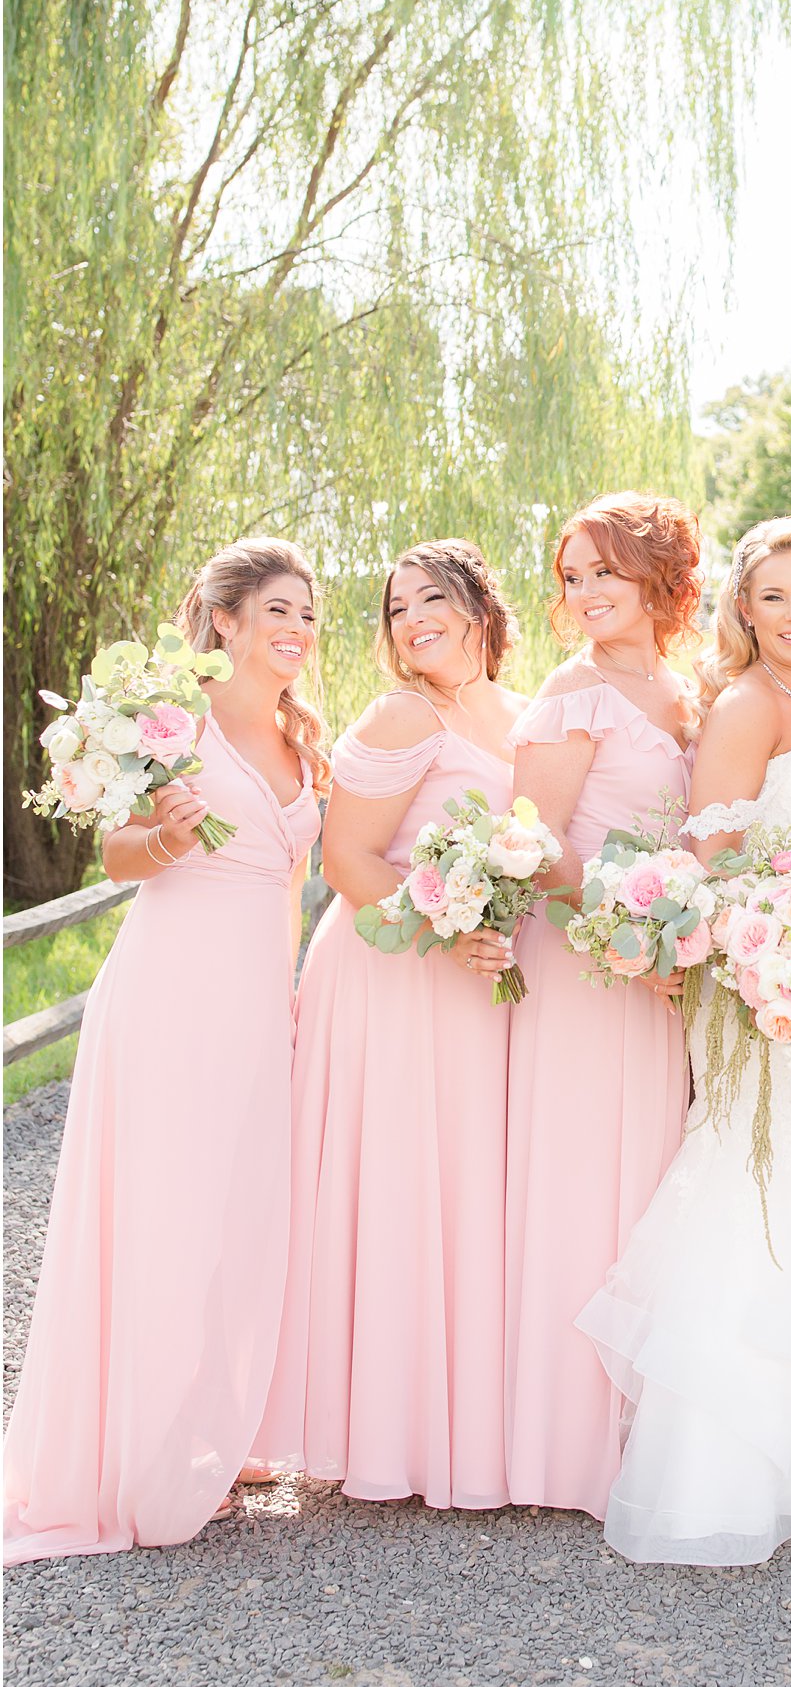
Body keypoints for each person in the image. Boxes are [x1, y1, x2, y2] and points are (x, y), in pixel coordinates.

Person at [577, 517, 791, 1564]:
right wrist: (773, 949)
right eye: (771, 597)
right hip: (763, 992)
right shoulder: (744, 706)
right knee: (757, 1182)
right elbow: (709, 863)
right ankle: (721, 1468)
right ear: (742, 611)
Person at [5, 540, 325, 1561]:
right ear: (222, 620)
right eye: (278, 608)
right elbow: (120, 858)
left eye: (309, 614)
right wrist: (172, 840)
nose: (297, 629)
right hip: (170, 993)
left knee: (241, 1216)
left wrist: (286, 989)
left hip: (250, 1000)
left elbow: (286, 886)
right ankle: (143, 1454)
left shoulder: (300, 739)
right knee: (168, 1217)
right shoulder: (172, 730)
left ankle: (216, 1434)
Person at [250, 540, 526, 1510]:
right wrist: (442, 927)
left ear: (480, 607)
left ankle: (446, 1420)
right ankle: (369, 1429)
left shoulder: (518, 719)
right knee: (392, 1183)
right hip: (386, 965)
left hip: (472, 976)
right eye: (397, 607)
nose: (412, 620)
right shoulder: (405, 714)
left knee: (457, 1188)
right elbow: (348, 858)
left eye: (431, 599)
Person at [504, 492, 702, 1519]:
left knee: (646, 1182)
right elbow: (536, 843)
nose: (583, 594)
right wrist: (629, 932)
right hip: (585, 966)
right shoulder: (572, 691)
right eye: (571, 576)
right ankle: (559, 1445)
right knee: (579, 1183)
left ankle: (638, 1427)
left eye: (604, 574)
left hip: (662, 966)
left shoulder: (682, 690)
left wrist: (676, 932)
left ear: (658, 580)